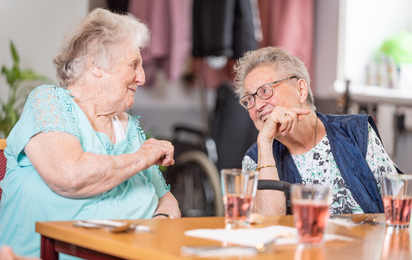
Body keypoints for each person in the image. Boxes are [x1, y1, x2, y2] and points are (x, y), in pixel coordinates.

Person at [0, 8, 180, 258]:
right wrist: (143, 156)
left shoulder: (127, 126)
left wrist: (161, 221)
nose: (142, 77)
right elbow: (70, 176)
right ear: (95, 64)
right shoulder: (48, 102)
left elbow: (166, 197)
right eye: (133, 65)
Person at [233, 46, 400, 216]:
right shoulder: (255, 159)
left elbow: (401, 209)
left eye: (265, 91)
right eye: (249, 99)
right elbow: (267, 226)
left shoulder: (357, 133)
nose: (258, 106)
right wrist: (265, 142)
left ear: (301, 90)